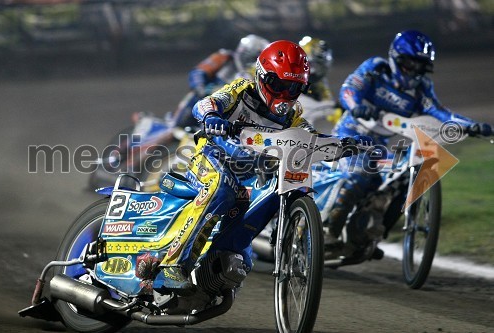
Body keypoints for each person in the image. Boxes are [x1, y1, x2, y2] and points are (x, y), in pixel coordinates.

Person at [153, 40, 353, 294]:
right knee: (221, 190)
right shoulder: (242, 89)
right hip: (212, 156)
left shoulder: (293, 115)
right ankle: (171, 266)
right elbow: (205, 103)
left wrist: (347, 144)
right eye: (279, 84)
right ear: (261, 76)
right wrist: (212, 117)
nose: (284, 94)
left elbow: (309, 138)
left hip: (248, 175)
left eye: (293, 88)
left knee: (243, 254)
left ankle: (215, 269)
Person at [324, 29, 492, 256]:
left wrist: (471, 125)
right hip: (349, 136)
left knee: (404, 177)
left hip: (378, 146)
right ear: (396, 58)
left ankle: (365, 235)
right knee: (360, 175)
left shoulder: (422, 88)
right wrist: (356, 107)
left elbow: (441, 113)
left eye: (420, 66)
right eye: (409, 64)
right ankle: (329, 233)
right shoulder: (375, 68)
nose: (414, 71)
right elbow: (348, 90)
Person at [171, 34, 270, 129]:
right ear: (246, 54)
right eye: (255, 58)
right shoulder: (224, 57)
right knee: (175, 129)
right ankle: (172, 128)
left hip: (227, 111)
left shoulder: (258, 75)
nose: (256, 64)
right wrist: (201, 89)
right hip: (203, 99)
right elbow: (198, 72)